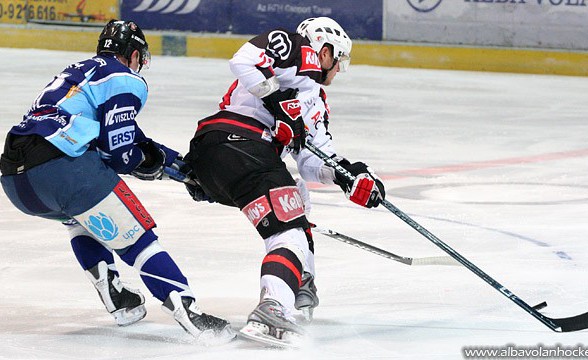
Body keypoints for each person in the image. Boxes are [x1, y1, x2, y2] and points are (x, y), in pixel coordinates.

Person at [0, 19, 235, 343]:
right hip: (62, 170)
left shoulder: (82, 73)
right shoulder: (124, 78)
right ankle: (190, 315)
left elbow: (136, 142)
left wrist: (183, 170)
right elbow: (121, 154)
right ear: (133, 54)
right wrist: (154, 166)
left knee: (82, 220)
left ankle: (120, 302)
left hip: (17, 182)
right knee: (137, 237)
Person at [183, 17, 386, 347]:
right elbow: (244, 60)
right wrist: (276, 99)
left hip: (221, 160)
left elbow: (311, 160)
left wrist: (348, 175)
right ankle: (273, 305)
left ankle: (300, 283)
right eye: (339, 60)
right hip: (241, 144)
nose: (338, 70)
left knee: (298, 199)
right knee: (288, 231)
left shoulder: (314, 98)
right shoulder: (298, 49)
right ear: (324, 49)